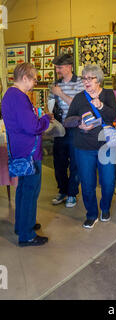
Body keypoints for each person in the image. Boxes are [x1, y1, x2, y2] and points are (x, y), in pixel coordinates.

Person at [1, 63, 52, 246]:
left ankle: (23, 225)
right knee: (30, 192)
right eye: (34, 79)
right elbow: (32, 127)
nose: (35, 83)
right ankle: (27, 235)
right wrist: (46, 118)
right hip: (28, 153)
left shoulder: (9, 95)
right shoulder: (19, 97)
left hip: (20, 150)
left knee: (23, 191)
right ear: (25, 78)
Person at [66, 65, 116, 229]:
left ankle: (105, 208)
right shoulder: (79, 98)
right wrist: (79, 123)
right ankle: (91, 214)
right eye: (84, 78)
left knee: (108, 183)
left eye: (90, 78)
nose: (86, 81)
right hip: (83, 148)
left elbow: (113, 116)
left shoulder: (108, 94)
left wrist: (101, 106)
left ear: (98, 79)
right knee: (87, 184)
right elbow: (68, 120)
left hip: (106, 146)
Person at [46, 54, 84, 208]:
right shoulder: (55, 84)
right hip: (60, 128)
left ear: (69, 67)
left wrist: (60, 93)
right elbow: (49, 103)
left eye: (59, 67)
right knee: (59, 162)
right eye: (56, 67)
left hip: (76, 128)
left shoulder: (81, 83)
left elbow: (78, 106)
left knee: (75, 163)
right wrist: (48, 112)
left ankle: (72, 194)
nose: (57, 70)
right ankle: (62, 190)